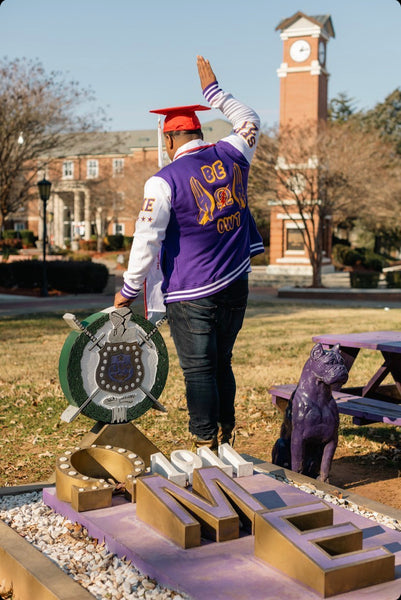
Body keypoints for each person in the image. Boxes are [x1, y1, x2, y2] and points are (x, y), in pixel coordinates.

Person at [114, 55, 264, 450]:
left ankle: (204, 444)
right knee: (222, 362)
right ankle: (227, 437)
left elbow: (145, 241)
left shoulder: (162, 181)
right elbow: (249, 118)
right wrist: (215, 92)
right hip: (236, 282)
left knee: (198, 369)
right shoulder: (234, 152)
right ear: (199, 131)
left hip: (191, 291)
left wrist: (128, 291)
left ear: (168, 140)